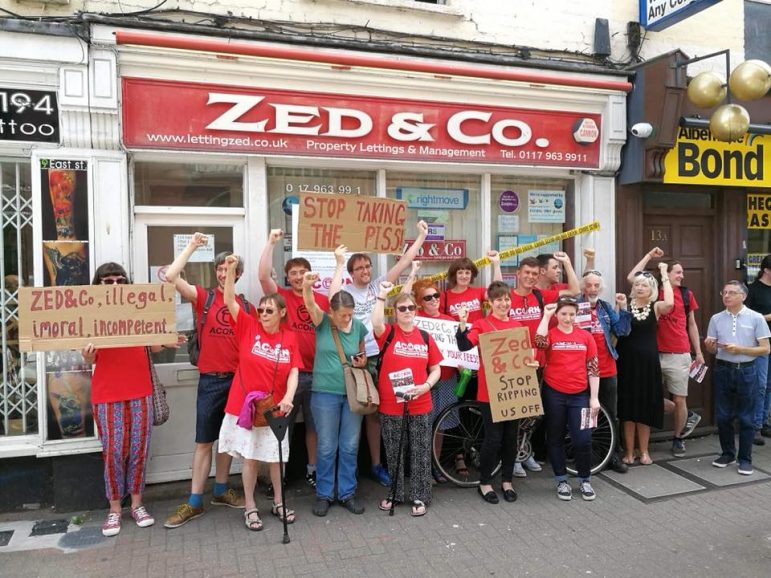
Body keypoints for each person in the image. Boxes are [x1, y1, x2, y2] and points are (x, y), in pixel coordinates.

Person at [82, 263, 181, 537]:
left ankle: (137, 504)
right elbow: (89, 357)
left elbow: (155, 346)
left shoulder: (141, 310)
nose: (115, 285)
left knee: (139, 449)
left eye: (120, 280)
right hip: (107, 394)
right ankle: (115, 509)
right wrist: (88, 355)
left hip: (140, 390)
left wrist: (167, 337)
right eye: (108, 281)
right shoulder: (89, 314)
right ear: (98, 285)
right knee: (113, 452)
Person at [328, 222, 429, 487]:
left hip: (382, 356)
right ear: (351, 273)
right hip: (357, 359)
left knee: (377, 413)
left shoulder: (377, 287)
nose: (365, 271)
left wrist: (421, 236)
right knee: (356, 411)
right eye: (359, 268)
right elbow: (332, 295)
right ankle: (351, 469)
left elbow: (404, 261)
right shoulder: (347, 292)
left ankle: (376, 464)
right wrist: (338, 264)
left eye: (367, 266)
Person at [163, 234, 251, 529]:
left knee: (227, 440)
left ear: (239, 274)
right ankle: (194, 501)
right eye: (220, 269)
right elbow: (171, 276)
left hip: (238, 382)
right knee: (204, 442)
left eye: (230, 269)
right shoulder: (205, 297)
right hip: (211, 381)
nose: (224, 274)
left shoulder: (246, 306)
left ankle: (221, 490)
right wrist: (192, 246)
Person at [217, 255, 300, 531]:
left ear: (281, 313)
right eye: (261, 309)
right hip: (246, 407)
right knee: (250, 458)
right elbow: (229, 299)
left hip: (276, 407)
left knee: (276, 457)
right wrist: (230, 270)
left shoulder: (289, 337)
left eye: (269, 310)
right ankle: (250, 507)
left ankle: (279, 502)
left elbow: (294, 371)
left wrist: (288, 397)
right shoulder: (248, 326)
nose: (263, 314)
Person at [259, 229, 329, 487]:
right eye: (294, 273)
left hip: (318, 373)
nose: (298, 277)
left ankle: (313, 471)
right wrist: (271, 243)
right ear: (288, 277)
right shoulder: (281, 298)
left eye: (303, 272)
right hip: (288, 375)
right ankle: (278, 478)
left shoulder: (322, 300)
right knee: (281, 427)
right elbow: (263, 276)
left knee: (314, 427)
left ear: (310, 274)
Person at [372, 282, 442, 516]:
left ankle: (420, 496)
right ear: (395, 312)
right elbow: (376, 322)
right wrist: (382, 296)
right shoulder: (388, 333)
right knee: (394, 452)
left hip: (421, 404)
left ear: (416, 310)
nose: (407, 311)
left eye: (411, 307)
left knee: (420, 451)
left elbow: (436, 369)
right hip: (391, 405)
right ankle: (395, 493)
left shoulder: (425, 337)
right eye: (402, 308)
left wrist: (426, 386)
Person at [303, 271, 369, 516]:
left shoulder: (358, 326)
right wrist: (307, 287)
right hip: (324, 393)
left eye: (350, 314)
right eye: (342, 315)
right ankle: (324, 494)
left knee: (350, 445)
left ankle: (347, 493)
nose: (347, 319)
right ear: (332, 312)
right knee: (327, 446)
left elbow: (362, 354)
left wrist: (362, 361)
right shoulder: (323, 322)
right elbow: (310, 304)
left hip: (352, 394)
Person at [456, 281, 528, 505]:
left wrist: (530, 363)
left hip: (513, 389)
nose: (503, 303)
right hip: (490, 391)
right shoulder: (482, 324)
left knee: (511, 438)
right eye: (498, 300)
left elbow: (523, 356)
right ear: (490, 302)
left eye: (506, 299)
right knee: (493, 439)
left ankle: (507, 481)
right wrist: (462, 323)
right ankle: (485, 482)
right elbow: (464, 346)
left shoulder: (517, 325)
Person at [628, 248, 703, 458]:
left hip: (679, 353)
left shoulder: (687, 295)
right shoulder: (652, 291)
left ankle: (678, 438)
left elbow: (692, 324)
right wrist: (649, 257)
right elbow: (632, 278)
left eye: (682, 272)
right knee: (648, 396)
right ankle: (685, 415)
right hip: (653, 354)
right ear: (666, 274)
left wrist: (698, 352)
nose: (682, 276)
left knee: (680, 399)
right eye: (678, 272)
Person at [508, 253, 579, 475]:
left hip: (538, 362)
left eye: (534, 273)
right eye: (526, 273)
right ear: (518, 274)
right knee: (515, 412)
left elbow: (575, 290)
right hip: (514, 363)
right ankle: (512, 456)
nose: (530, 277)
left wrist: (567, 263)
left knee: (533, 413)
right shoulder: (507, 297)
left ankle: (524, 450)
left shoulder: (541, 295)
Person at [535, 298, 600, 501]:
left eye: (572, 314)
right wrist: (546, 316)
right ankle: (561, 480)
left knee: (583, 440)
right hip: (554, 394)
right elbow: (538, 342)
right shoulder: (551, 334)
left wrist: (594, 398)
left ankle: (585, 479)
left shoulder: (586, 337)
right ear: (557, 315)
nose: (568, 318)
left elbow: (593, 368)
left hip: (580, 395)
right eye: (563, 314)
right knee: (555, 438)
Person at [705, 281, 770, 476]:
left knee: (746, 417)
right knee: (723, 415)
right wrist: (710, 347)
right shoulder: (716, 318)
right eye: (724, 292)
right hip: (723, 369)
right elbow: (712, 349)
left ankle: (745, 459)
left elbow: (765, 349)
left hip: (747, 370)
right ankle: (727, 454)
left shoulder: (756, 318)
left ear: (743, 296)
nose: (726, 296)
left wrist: (740, 349)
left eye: (732, 293)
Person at [616, 264, 673, 466]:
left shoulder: (655, 306)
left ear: (652, 289)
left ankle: (644, 451)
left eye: (645, 285)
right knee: (628, 409)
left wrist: (664, 273)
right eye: (637, 284)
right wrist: (621, 307)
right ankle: (629, 452)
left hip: (648, 364)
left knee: (644, 407)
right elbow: (618, 329)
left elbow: (670, 303)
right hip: (626, 362)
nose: (640, 288)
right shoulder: (624, 304)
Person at [578, 269, 631, 473]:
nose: (593, 289)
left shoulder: (606, 307)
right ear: (583, 287)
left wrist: (623, 308)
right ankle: (588, 454)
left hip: (607, 368)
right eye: (589, 285)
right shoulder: (575, 306)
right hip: (583, 369)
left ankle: (612, 455)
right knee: (586, 413)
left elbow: (622, 331)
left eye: (596, 285)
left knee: (610, 413)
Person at [413, 278, 464, 483]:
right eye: (428, 297)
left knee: (440, 426)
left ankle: (436, 466)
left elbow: (460, 349)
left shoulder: (449, 321)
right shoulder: (416, 321)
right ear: (420, 302)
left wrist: (462, 363)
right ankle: (423, 468)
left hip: (447, 379)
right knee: (423, 426)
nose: (434, 299)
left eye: (436, 295)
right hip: (424, 380)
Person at [746, 255, 771, 445]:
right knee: (760, 385)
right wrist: (768, 317)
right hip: (760, 344)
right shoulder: (753, 290)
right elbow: (747, 318)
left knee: (769, 385)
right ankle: (754, 427)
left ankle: (764, 422)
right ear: (766, 270)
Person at [441, 253, 502, 322]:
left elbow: (498, 291)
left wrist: (496, 264)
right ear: (454, 275)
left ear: (471, 275)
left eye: (467, 273)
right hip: (458, 329)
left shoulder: (478, 292)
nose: (464, 276)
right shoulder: (445, 296)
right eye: (460, 273)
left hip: (478, 329)